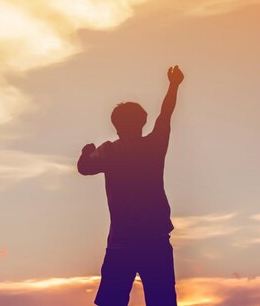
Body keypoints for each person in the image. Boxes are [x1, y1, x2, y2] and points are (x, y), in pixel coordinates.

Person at [77, 65, 184, 306]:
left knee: (111, 302)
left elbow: (84, 168)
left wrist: (86, 152)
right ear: (142, 123)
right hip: (155, 240)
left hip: (121, 242)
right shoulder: (154, 145)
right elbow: (165, 114)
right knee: (162, 301)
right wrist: (174, 85)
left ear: (116, 125)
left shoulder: (109, 151)